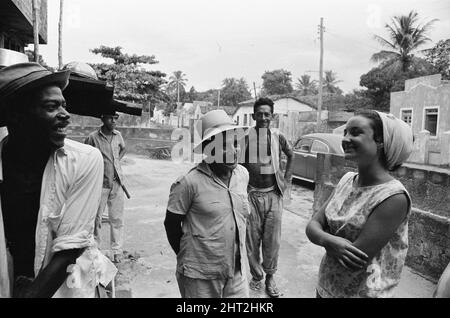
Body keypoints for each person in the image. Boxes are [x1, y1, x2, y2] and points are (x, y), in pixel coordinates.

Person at [0, 62, 116, 298]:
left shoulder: (84, 160)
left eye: (64, 105)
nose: (66, 115)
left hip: (67, 286)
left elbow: (70, 248)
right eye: (52, 107)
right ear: (16, 116)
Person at [306, 110, 413, 298]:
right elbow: (312, 226)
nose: (345, 138)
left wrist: (322, 236)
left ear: (381, 141)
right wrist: (329, 241)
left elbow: (355, 258)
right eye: (345, 132)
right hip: (326, 287)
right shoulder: (347, 180)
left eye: (355, 133)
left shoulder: (393, 197)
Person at [164, 110, 250, 298]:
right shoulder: (188, 183)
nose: (234, 151)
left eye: (235, 143)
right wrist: (189, 257)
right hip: (200, 277)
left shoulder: (242, 175)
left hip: (237, 273)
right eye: (225, 146)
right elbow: (171, 224)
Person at [241, 97, 293, 298]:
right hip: (252, 194)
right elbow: (236, 163)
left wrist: (286, 179)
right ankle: (256, 275)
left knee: (272, 240)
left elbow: (291, 154)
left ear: (272, 116)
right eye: (259, 114)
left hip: (274, 194)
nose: (263, 117)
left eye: (267, 114)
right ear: (254, 115)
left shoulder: (278, 136)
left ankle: (270, 276)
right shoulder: (245, 137)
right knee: (251, 240)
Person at [85, 111, 126, 263]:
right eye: (110, 118)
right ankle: (96, 250)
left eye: (116, 118)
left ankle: (117, 250)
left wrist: (117, 163)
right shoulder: (92, 137)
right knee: (96, 219)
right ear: (102, 118)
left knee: (117, 218)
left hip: (117, 183)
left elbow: (123, 148)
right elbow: (86, 156)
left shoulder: (118, 135)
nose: (114, 121)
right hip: (100, 184)